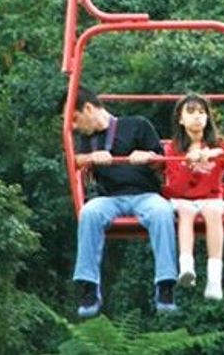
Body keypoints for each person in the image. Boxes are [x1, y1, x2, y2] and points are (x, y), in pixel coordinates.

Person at [64, 87, 179, 317]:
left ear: (87, 108)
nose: (74, 127)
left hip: (145, 195)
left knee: (162, 211)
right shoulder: (87, 140)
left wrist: (147, 157)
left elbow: (161, 162)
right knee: (89, 213)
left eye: (74, 119)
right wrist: (90, 158)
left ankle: (165, 284)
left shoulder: (137, 125)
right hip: (109, 199)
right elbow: (75, 160)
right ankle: (89, 286)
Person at [162, 94, 224, 301]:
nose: (197, 117)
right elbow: (176, 187)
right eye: (191, 112)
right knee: (185, 213)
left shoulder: (218, 143)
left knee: (213, 213)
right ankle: (186, 267)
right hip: (183, 199)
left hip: (211, 199)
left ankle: (214, 279)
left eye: (202, 112)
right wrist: (187, 165)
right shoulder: (173, 148)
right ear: (180, 119)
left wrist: (218, 153)